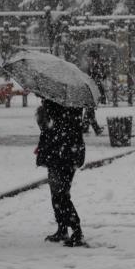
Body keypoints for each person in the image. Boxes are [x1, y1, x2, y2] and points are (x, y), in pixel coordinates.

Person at [36, 98, 87, 246]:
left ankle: (76, 231)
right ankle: (62, 228)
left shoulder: (62, 105)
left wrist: (45, 114)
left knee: (61, 195)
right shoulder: (68, 103)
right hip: (62, 154)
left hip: (63, 155)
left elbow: (58, 130)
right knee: (57, 195)